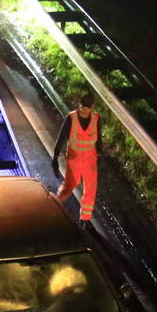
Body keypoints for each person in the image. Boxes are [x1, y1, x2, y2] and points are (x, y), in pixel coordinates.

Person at [52, 93, 101, 223]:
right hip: (74, 157)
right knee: (70, 185)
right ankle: (54, 206)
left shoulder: (96, 118)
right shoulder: (71, 118)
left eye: (87, 108)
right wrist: (55, 156)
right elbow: (62, 137)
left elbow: (99, 138)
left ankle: (85, 219)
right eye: (82, 107)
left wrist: (99, 154)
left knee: (91, 188)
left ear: (92, 108)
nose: (84, 110)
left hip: (90, 158)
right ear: (79, 106)